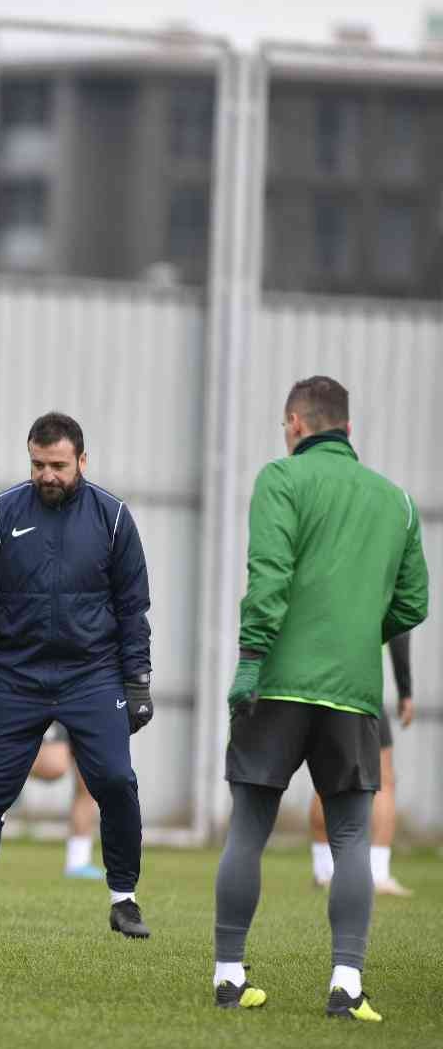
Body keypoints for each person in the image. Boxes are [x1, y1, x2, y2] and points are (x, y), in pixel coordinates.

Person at [212, 376, 428, 1020]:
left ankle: (228, 979)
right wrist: (357, 633)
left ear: (295, 425)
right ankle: (346, 985)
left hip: (276, 682)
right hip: (354, 694)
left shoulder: (280, 479)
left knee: (249, 829)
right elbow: (414, 603)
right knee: (353, 839)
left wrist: (251, 660)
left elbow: (269, 575)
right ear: (348, 430)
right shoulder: (398, 502)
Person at [0, 411, 154, 937]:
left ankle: (124, 898)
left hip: (94, 676)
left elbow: (133, 608)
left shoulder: (113, 518)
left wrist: (138, 681)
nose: (47, 475)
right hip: (18, 674)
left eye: (58, 465)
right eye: (38, 464)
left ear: (82, 460)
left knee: (116, 782)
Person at [310, 632, 414, 896]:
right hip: (360, 680)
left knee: (325, 773)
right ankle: (377, 872)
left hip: (317, 680)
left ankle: (324, 869)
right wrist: (405, 690)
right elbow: (400, 630)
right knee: (384, 778)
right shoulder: (380, 587)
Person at [29, 725, 103, 879]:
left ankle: (78, 862)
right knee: (54, 766)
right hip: (56, 704)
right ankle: (3, 762)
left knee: (89, 780)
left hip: (90, 706)